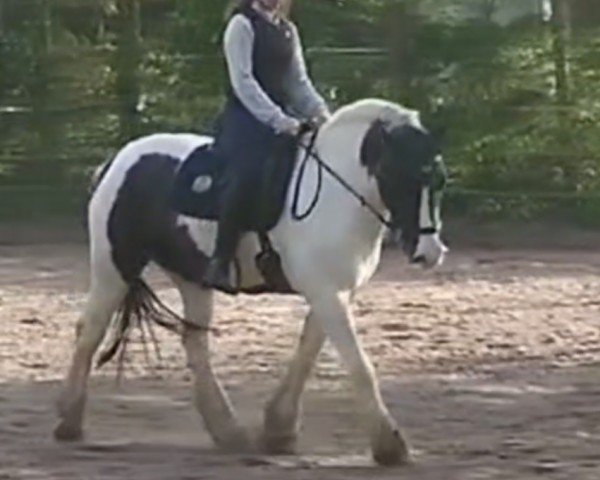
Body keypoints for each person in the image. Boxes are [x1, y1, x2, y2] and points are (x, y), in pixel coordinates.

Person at [202, 0, 330, 294]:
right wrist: (278, 120)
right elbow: (243, 82)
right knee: (246, 174)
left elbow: (298, 82)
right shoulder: (241, 25)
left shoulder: (287, 30)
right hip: (245, 123)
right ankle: (221, 260)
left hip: (285, 121)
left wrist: (323, 116)